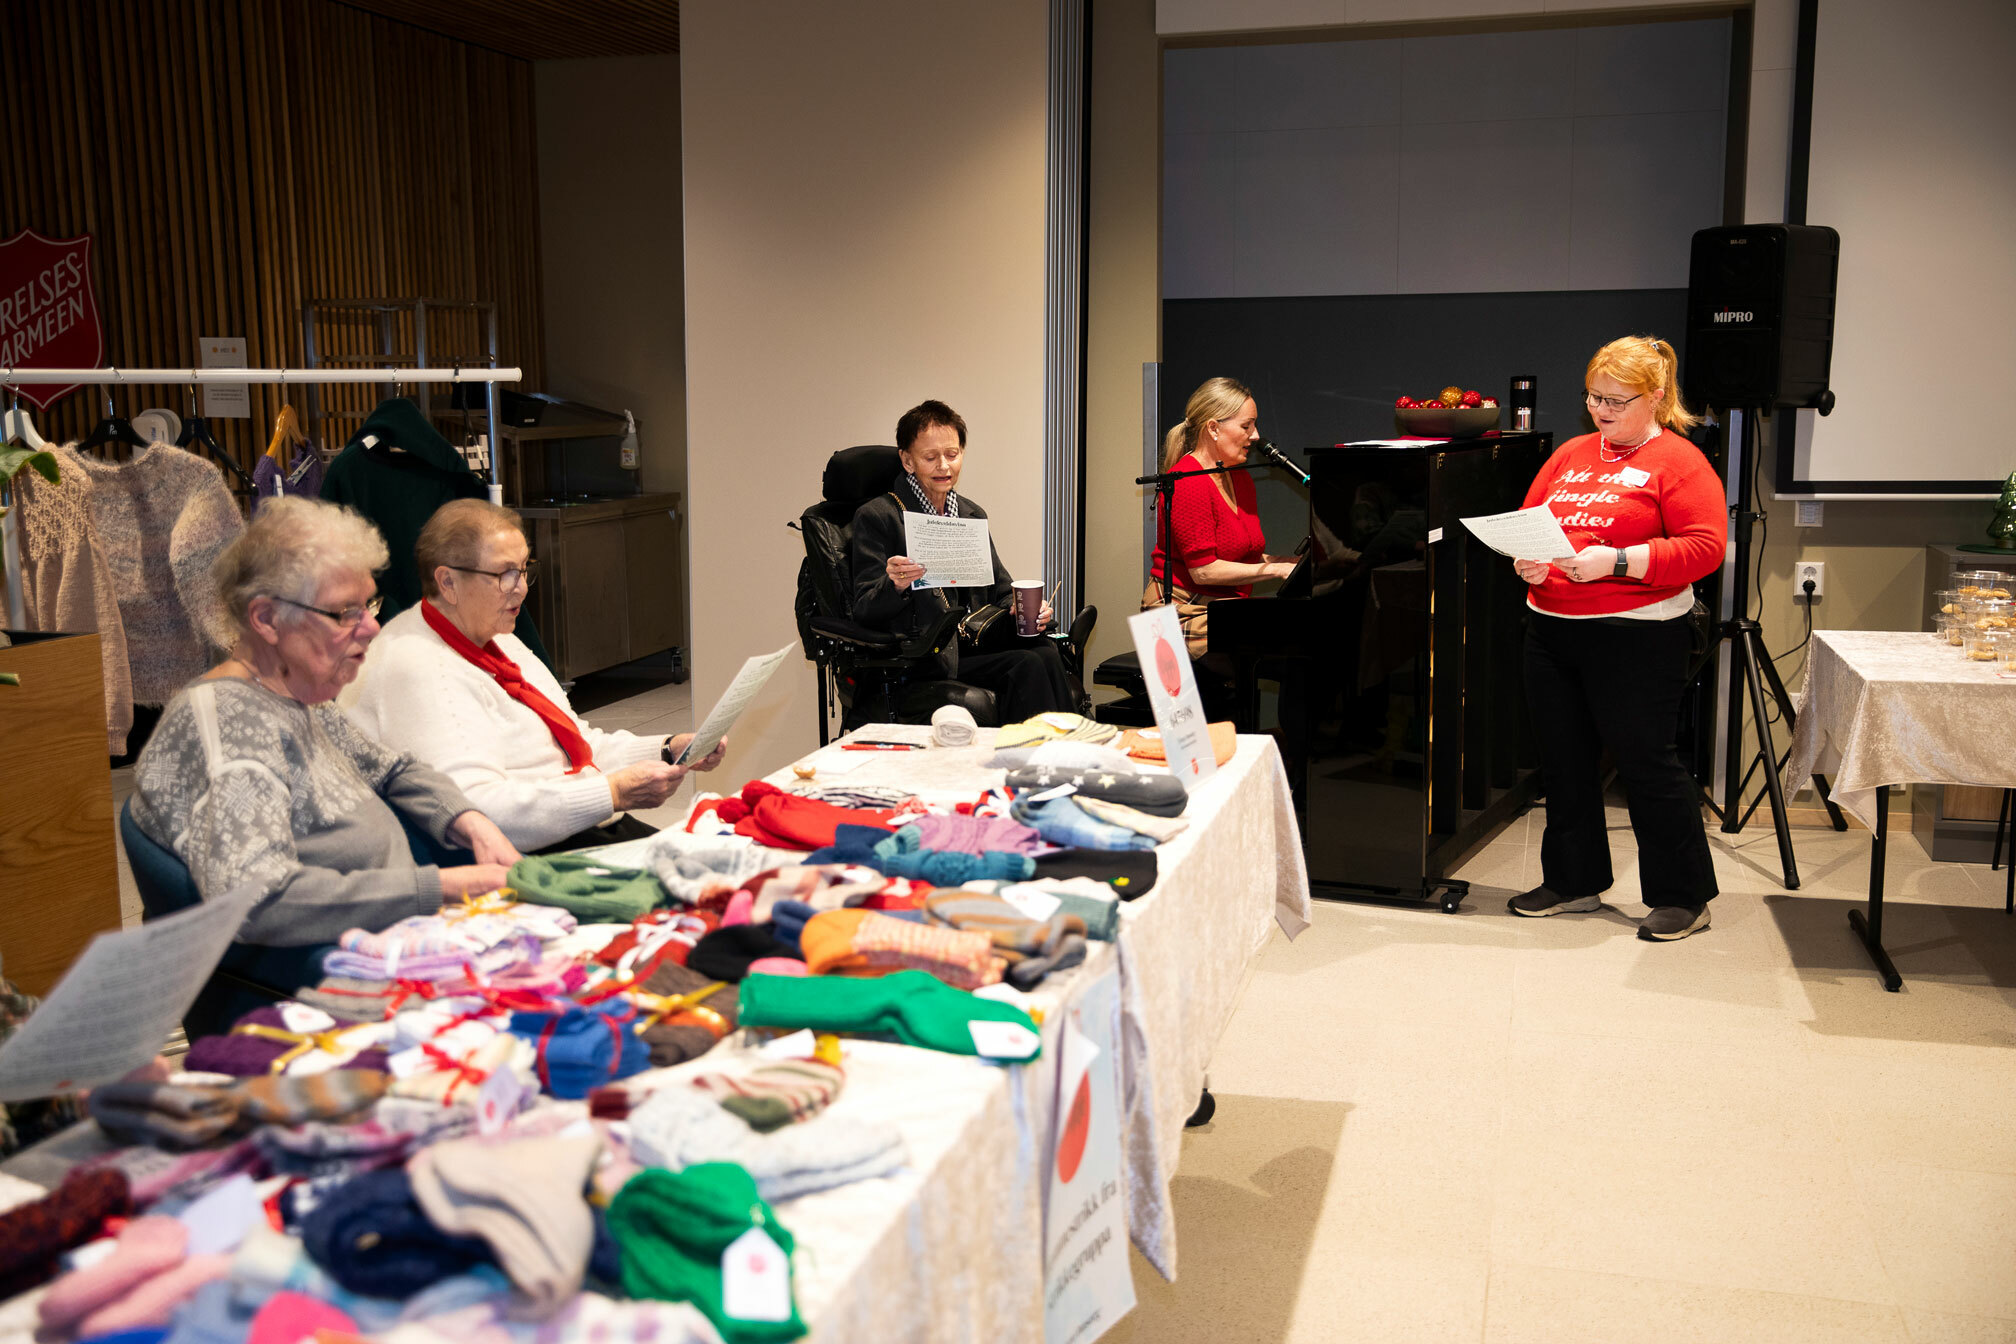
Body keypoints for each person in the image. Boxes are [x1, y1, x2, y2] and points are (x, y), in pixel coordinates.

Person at [131, 497, 523, 947]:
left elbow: (392, 768)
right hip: (329, 975)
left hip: (398, 936)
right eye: (344, 613)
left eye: (368, 606)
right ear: (266, 619)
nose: (372, 629)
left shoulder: (298, 698)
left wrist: (473, 823)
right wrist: (443, 889)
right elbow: (261, 901)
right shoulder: (228, 726)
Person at [345, 499, 727, 853]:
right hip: (528, 854)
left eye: (525, 569)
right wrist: (610, 793)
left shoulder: (497, 639)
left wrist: (667, 748)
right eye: (504, 574)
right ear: (447, 582)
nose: (522, 589)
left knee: (729, 863)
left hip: (576, 826)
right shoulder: (417, 667)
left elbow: (574, 744)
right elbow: (473, 813)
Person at [1508, 335, 1729, 941]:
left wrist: (1620, 561)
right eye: (1593, 397)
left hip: (1638, 634)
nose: (1601, 410)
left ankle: (1683, 895)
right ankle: (1573, 881)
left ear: (1655, 397)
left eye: (1616, 400)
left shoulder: (1681, 461)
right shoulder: (1573, 453)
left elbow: (1706, 549)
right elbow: (1533, 524)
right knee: (1563, 760)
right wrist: (1528, 561)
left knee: (1646, 763)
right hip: (1551, 628)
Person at [849, 400, 1077, 721]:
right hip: (924, 656)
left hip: (972, 641)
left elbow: (999, 592)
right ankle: (1027, 760)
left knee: (1046, 650)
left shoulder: (970, 514)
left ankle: (1063, 754)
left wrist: (1023, 610)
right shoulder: (880, 517)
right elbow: (864, 610)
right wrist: (896, 585)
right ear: (907, 460)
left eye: (952, 455)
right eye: (930, 457)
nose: (943, 465)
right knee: (1026, 664)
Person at [1142, 377, 1297, 674]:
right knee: (1286, 655)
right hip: (1181, 612)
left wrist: (1292, 562)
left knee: (1303, 649)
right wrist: (1277, 569)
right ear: (1213, 428)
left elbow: (1243, 558)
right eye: (1246, 426)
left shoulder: (1239, 477)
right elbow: (1204, 571)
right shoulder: (1188, 481)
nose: (1255, 436)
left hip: (1223, 609)